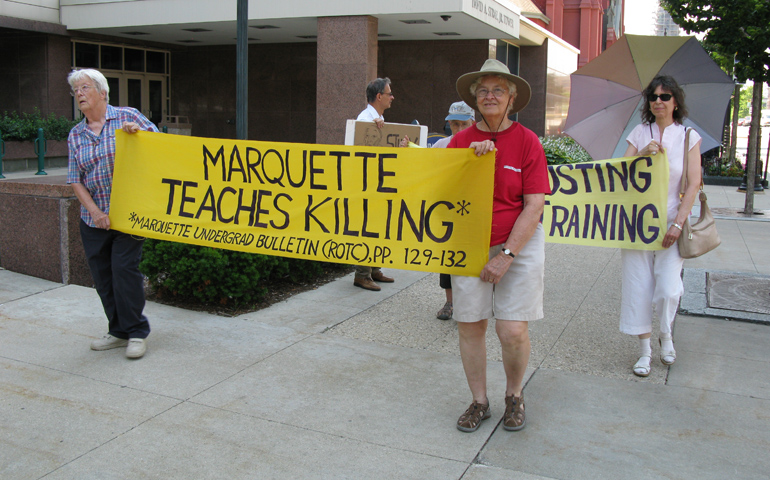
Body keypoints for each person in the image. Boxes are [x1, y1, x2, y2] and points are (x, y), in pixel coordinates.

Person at [448, 59, 551, 432]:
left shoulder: (527, 141)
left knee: (511, 330)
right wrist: (467, 166)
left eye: (498, 90)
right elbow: (438, 194)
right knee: (470, 325)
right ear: (475, 100)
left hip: (517, 245)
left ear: (512, 99)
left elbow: (534, 205)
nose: (489, 96)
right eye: (483, 91)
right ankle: (479, 401)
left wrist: (506, 255)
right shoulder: (459, 142)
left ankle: (514, 395)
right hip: (468, 243)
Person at [67, 68, 159, 359]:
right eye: (76, 90)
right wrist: (93, 211)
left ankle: (136, 332)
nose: (79, 94)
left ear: (102, 92)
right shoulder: (76, 134)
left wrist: (140, 134)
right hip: (94, 219)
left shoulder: (127, 116)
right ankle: (118, 331)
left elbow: (161, 146)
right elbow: (75, 179)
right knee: (103, 277)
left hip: (130, 213)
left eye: (84, 87)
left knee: (124, 271)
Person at [620, 75, 702, 377]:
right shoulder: (640, 133)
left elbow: (693, 183)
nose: (658, 101)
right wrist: (641, 155)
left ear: (675, 102)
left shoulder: (688, 136)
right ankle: (644, 351)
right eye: (653, 97)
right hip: (637, 224)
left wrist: (679, 223)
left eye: (665, 96)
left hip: (671, 222)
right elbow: (619, 173)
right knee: (637, 286)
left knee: (668, 288)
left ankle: (666, 334)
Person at [433, 101, 475, 320]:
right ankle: (450, 302)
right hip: (448, 211)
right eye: (454, 124)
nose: (458, 129)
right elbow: (424, 166)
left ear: (472, 123)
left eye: (463, 124)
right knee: (448, 258)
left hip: (472, 211)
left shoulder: (482, 145)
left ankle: (471, 303)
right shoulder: (441, 145)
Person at [353, 77, 396, 291]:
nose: (392, 97)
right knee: (368, 227)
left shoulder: (377, 118)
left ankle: (373, 269)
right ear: (379, 96)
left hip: (378, 181)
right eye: (389, 93)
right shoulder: (365, 119)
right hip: (367, 183)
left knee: (379, 225)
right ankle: (362, 274)